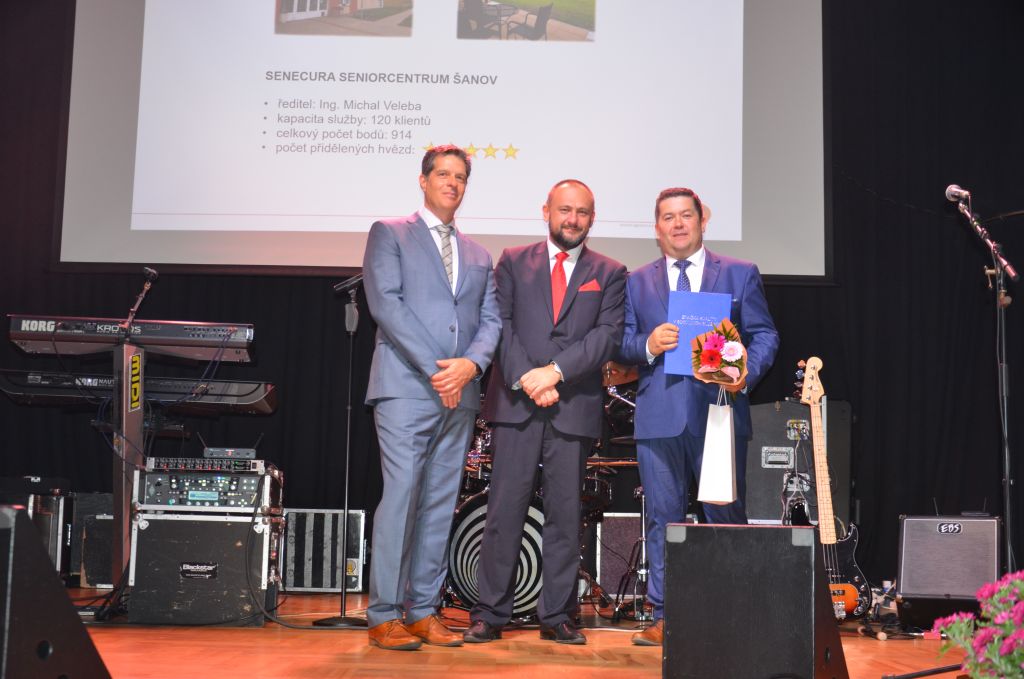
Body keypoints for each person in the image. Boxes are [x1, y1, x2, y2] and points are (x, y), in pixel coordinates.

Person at [464, 179, 626, 645]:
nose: (572, 219)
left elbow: (606, 336)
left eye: (582, 212)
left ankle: (557, 614)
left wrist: (553, 373)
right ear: (546, 211)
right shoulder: (513, 261)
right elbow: (500, 324)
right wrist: (527, 379)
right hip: (517, 402)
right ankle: (490, 613)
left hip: (572, 405)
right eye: (564, 210)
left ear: (592, 219)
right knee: (504, 510)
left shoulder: (610, 271)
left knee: (565, 514)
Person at [618, 187, 779, 646]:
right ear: (657, 228)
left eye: (685, 215)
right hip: (659, 417)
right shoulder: (636, 281)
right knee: (663, 520)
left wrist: (744, 373)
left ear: (702, 220)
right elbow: (623, 343)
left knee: (725, 517)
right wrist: (649, 344)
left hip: (719, 413)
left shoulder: (740, 273)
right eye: (668, 217)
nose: (678, 224)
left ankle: (732, 615)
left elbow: (765, 334)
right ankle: (664, 615)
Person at [362, 145, 501, 650]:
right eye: (443, 174)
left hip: (460, 392)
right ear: (423, 181)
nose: (452, 183)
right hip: (407, 387)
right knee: (402, 496)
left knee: (440, 503)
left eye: (460, 177)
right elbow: (386, 305)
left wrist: (471, 365)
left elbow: (491, 321)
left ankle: (422, 610)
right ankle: (383, 614)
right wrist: (438, 370)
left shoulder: (480, 254)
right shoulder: (390, 233)